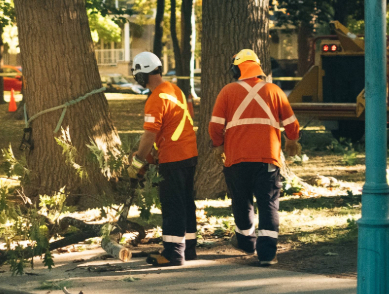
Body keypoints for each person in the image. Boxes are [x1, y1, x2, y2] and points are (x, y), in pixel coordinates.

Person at [208, 49, 301, 266]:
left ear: (236, 69)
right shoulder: (274, 91)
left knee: (241, 200)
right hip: (267, 158)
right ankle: (267, 255)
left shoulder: (227, 91)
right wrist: (292, 140)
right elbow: (291, 124)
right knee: (268, 203)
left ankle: (247, 242)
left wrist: (217, 145)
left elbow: (215, 126)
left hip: (236, 158)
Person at [128, 52, 198, 267]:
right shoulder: (176, 90)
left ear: (141, 76)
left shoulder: (156, 98)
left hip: (173, 158)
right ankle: (189, 249)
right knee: (186, 202)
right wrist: (151, 156)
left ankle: (173, 253)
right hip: (189, 154)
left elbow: (149, 135)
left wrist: (138, 163)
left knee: (173, 205)